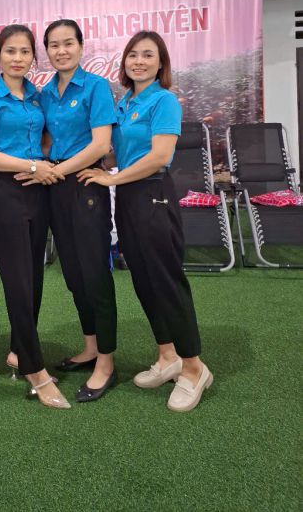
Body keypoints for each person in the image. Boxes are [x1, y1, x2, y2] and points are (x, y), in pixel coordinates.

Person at [78, 31, 213, 412]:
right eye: (133, 55)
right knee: (143, 280)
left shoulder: (163, 100)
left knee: (167, 283)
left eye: (148, 55)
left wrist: (112, 178)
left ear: (161, 63)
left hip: (153, 193)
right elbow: (117, 151)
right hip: (128, 198)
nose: (139, 61)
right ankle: (167, 355)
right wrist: (95, 165)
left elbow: (158, 156)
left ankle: (193, 368)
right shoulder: (124, 102)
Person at [0, 24, 71, 410]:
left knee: (34, 277)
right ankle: (34, 369)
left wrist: (46, 163)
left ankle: (16, 350)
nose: (17, 58)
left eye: (25, 51)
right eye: (10, 51)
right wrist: (30, 166)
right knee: (17, 280)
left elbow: (44, 139)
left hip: (38, 190)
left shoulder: (37, 96)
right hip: (6, 192)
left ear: (33, 57)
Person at [15, 20, 118, 403]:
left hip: (84, 185)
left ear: (80, 46)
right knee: (74, 275)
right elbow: (43, 142)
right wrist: (33, 165)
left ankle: (106, 361)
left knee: (95, 275)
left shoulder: (95, 87)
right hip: (55, 189)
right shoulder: (44, 94)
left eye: (68, 43)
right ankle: (90, 347)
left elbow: (101, 145)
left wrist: (57, 170)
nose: (61, 51)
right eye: (54, 45)